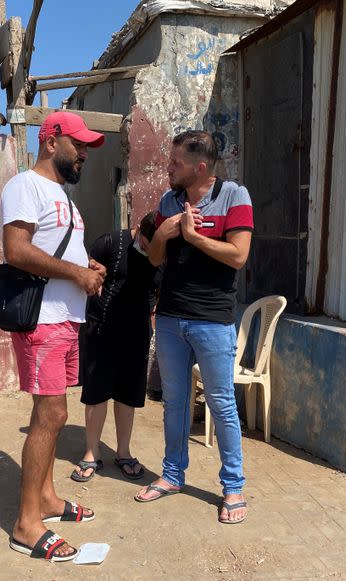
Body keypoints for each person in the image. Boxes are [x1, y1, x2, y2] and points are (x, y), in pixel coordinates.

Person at [0, 111, 107, 562]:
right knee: (50, 415)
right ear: (51, 142)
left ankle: (46, 499)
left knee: (55, 415)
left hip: (65, 317)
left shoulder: (59, 194)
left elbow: (59, 251)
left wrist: (89, 270)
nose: (84, 153)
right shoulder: (25, 185)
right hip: (42, 318)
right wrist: (76, 273)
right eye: (78, 145)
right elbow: (17, 250)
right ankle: (27, 524)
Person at [134, 130, 254, 526]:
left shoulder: (235, 196)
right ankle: (172, 476)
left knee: (221, 405)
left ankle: (233, 487)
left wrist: (192, 236)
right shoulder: (169, 201)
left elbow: (237, 256)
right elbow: (152, 260)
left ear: (200, 168)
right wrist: (165, 235)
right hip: (170, 318)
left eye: (176, 163)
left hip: (213, 321)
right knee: (174, 402)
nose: (168, 168)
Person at [70, 212, 161, 483]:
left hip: (137, 330)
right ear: (138, 230)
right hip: (102, 327)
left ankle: (123, 452)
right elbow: (84, 267)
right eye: (145, 243)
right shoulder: (112, 242)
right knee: (96, 392)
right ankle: (91, 452)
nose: (148, 250)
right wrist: (93, 271)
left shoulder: (162, 252)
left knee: (128, 394)